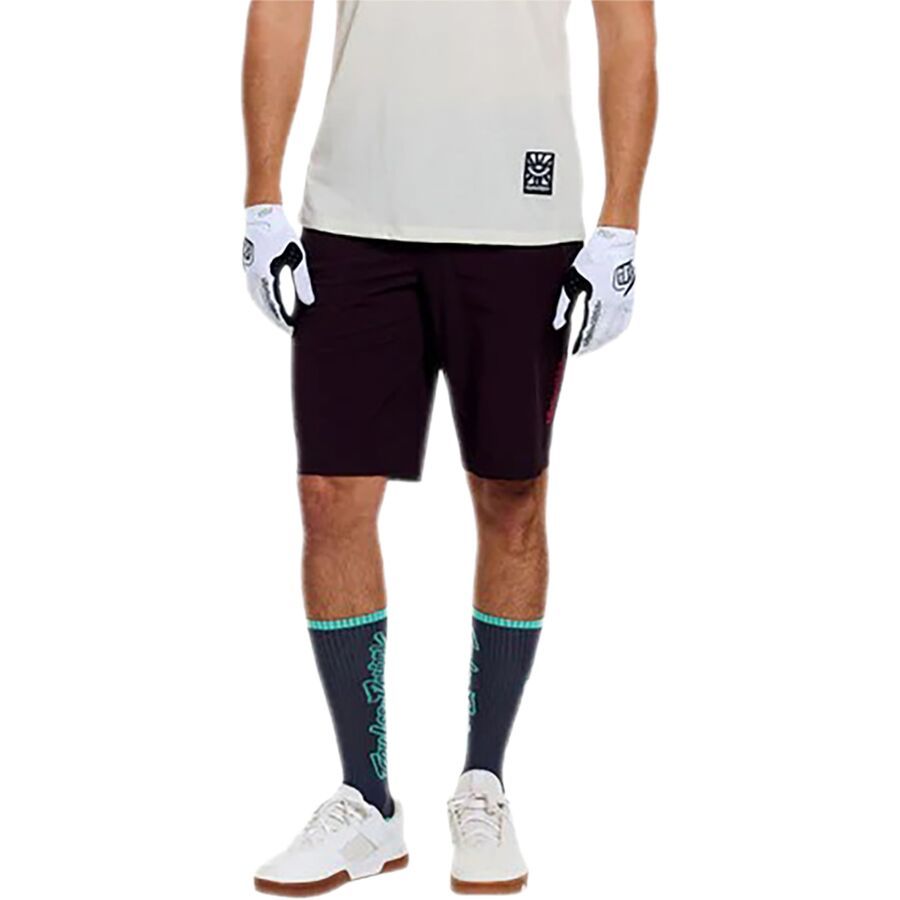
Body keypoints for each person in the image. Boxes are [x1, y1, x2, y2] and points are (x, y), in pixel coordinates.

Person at [241, 1, 656, 894]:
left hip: (521, 217)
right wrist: (261, 199)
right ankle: (366, 800)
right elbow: (280, 9)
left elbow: (628, 29)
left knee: (513, 500)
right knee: (329, 497)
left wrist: (620, 220)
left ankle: (483, 784)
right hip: (353, 214)